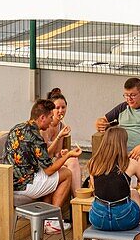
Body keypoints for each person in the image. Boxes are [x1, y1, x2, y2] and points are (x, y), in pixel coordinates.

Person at [5, 99, 82, 232]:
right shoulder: (35, 136)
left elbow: (45, 156)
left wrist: (58, 137)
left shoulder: (17, 128)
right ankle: (52, 222)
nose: (52, 120)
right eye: (50, 117)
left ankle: (44, 218)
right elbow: (49, 171)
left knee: (53, 178)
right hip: (25, 185)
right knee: (66, 174)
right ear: (42, 117)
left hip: (12, 181)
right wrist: (68, 155)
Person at [42, 88, 83, 194]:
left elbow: (57, 153)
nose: (61, 111)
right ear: (51, 110)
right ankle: (78, 197)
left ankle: (77, 197)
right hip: (45, 165)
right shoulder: (45, 126)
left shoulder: (61, 126)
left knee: (74, 161)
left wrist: (63, 153)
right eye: (57, 108)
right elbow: (47, 154)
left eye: (63, 107)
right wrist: (59, 137)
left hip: (54, 161)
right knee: (73, 163)